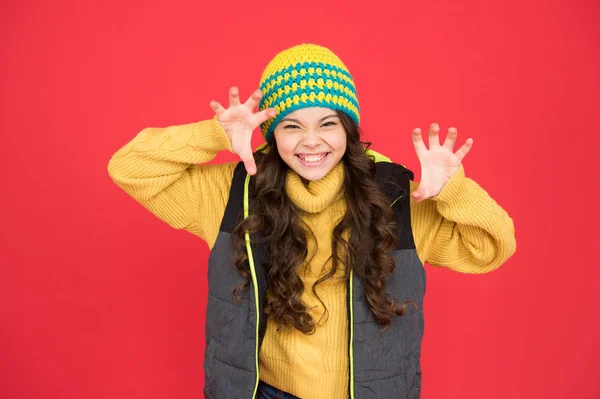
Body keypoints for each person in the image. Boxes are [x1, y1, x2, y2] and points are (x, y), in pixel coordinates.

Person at [107, 43, 516, 399]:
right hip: (268, 392)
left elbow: (490, 249)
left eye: (327, 124)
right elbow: (129, 168)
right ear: (271, 134)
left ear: (348, 129)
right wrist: (212, 135)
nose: (311, 141)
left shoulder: (394, 198)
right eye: (291, 126)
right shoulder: (236, 192)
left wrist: (454, 191)